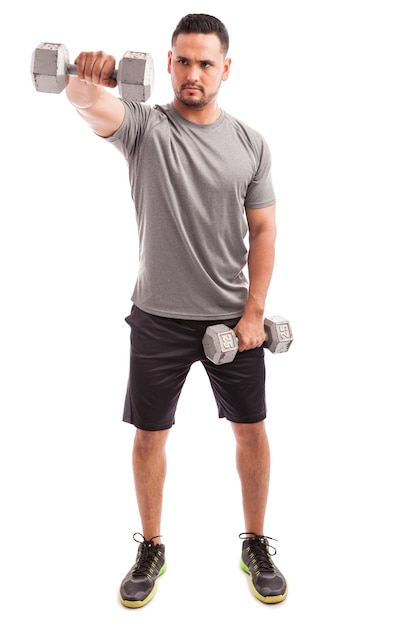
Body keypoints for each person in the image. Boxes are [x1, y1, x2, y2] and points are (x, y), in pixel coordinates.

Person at [65, 13, 287, 608]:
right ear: (168, 64)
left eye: (205, 63)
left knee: (251, 432)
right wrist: (90, 78)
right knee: (148, 436)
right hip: (157, 316)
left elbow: (263, 229)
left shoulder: (251, 144)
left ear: (225, 69)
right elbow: (88, 105)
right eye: (183, 61)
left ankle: (257, 542)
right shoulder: (144, 129)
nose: (193, 74)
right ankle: (152, 547)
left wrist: (253, 312)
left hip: (232, 320)